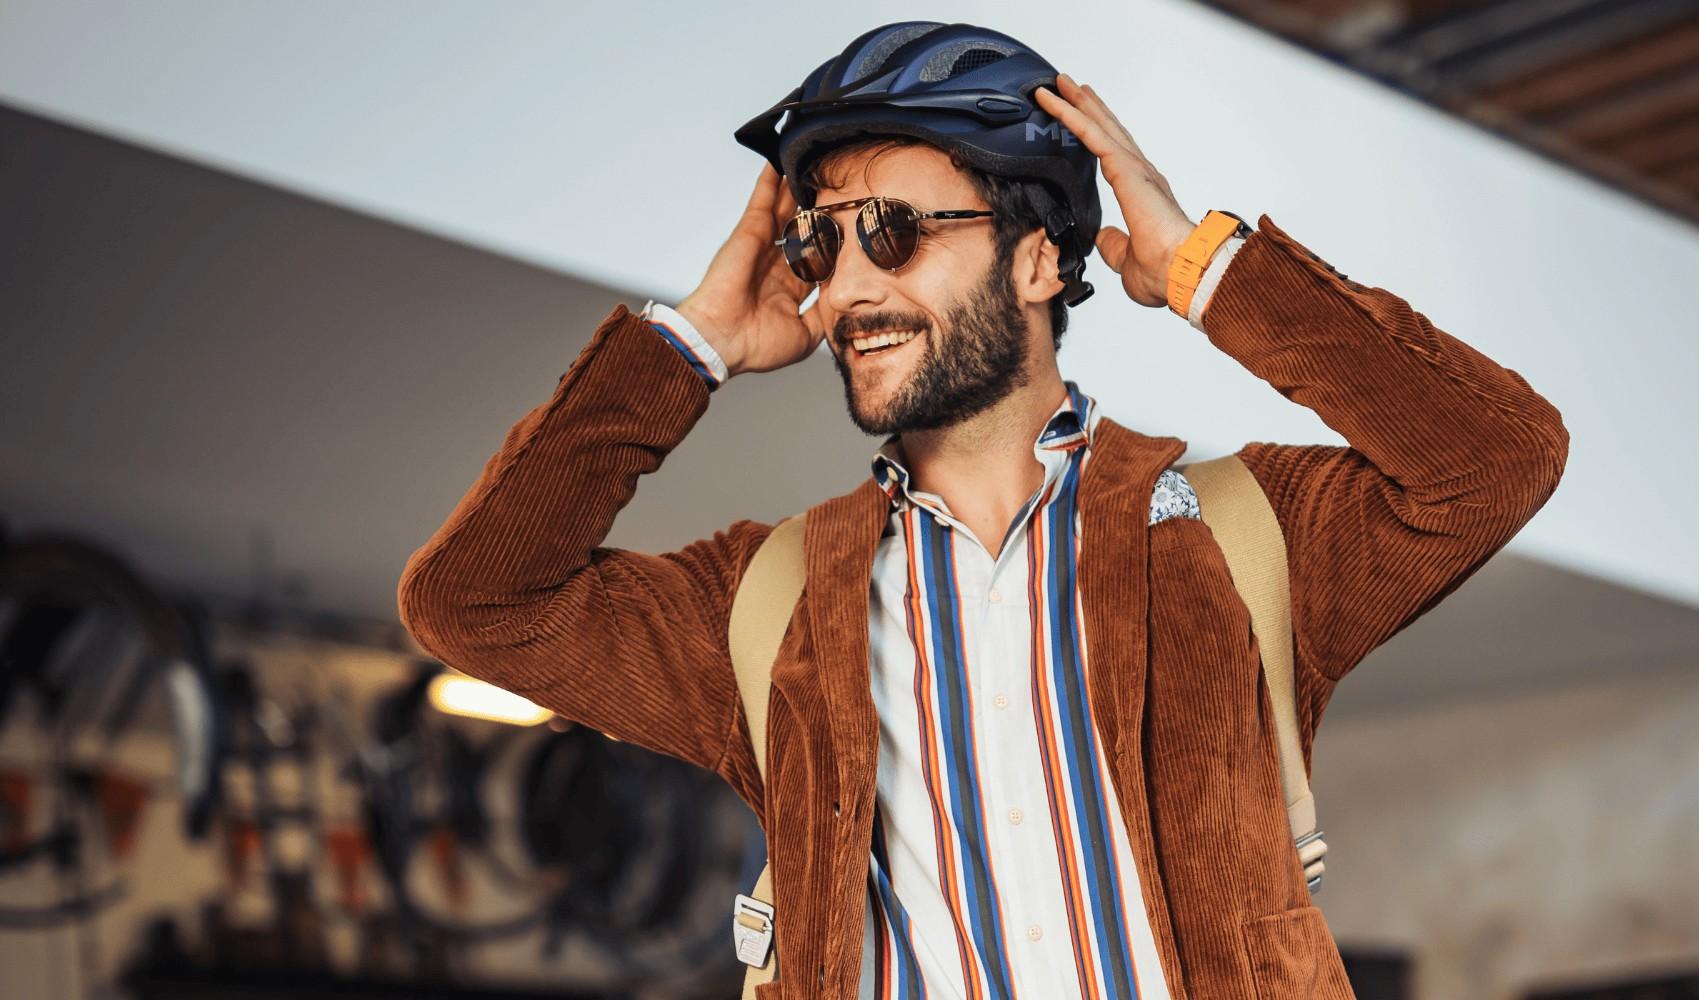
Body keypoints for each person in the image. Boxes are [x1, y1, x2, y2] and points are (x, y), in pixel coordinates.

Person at [396, 20, 1569, 1000]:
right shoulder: (768, 607)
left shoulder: (1240, 538)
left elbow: (1497, 458)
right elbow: (472, 603)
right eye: (821, 245)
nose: (848, 288)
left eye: (895, 233)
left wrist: (1209, 270)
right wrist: (687, 348)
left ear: (1039, 259)